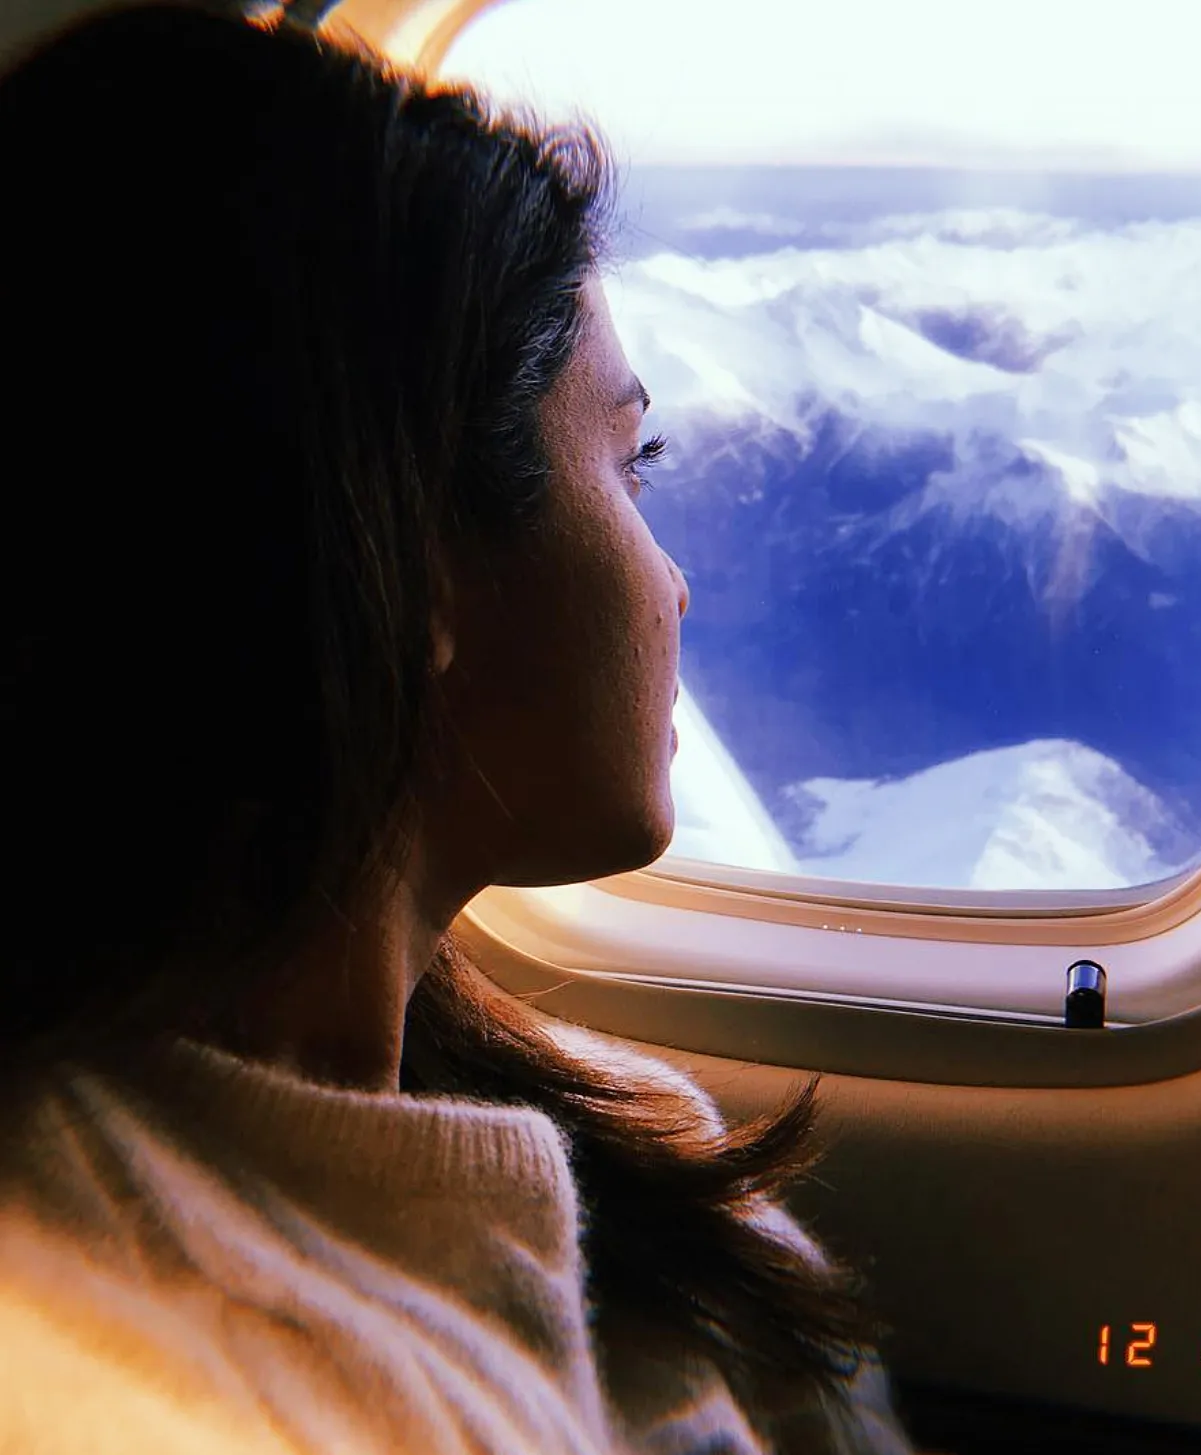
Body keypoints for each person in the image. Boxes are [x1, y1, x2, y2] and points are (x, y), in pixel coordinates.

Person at [0, 4, 922, 1452]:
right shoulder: (140, 1375)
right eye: (630, 462)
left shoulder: (618, 1156)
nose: (673, 582)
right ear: (414, 553)